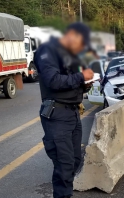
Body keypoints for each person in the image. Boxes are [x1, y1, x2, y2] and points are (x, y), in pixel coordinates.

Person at [34, 22, 94, 198]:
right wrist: (81, 76)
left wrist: (85, 85)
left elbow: (72, 83)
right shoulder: (48, 50)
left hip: (72, 113)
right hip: (57, 115)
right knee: (64, 164)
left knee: (75, 160)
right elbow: (52, 81)